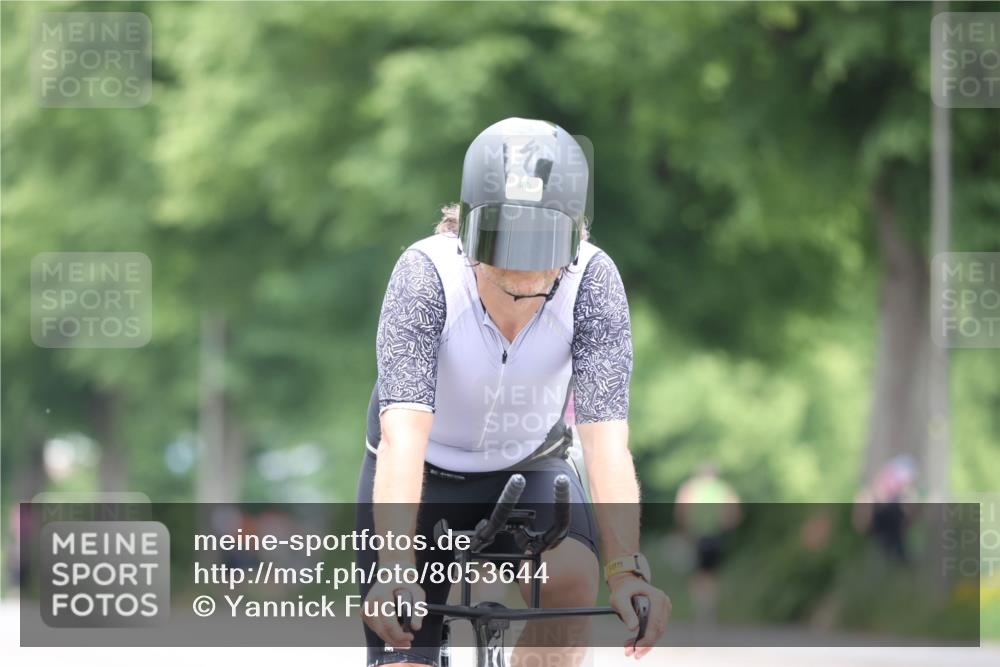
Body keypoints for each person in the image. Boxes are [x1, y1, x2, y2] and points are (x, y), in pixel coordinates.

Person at [356, 118, 671, 667]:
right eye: (504, 250)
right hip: (422, 470)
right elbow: (402, 436)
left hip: (529, 467)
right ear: (470, 234)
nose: (524, 272)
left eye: (543, 247)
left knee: (573, 582)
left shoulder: (594, 282)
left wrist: (627, 571)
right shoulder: (424, 275)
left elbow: (605, 444)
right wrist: (395, 567)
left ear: (575, 236)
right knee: (407, 645)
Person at [674, 463, 741, 624]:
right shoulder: (723, 488)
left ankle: (701, 610)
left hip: (696, 535)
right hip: (716, 535)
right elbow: (734, 513)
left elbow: (681, 511)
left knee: (698, 574)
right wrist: (724, 527)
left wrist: (684, 531)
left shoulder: (691, 487)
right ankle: (710, 609)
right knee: (712, 574)